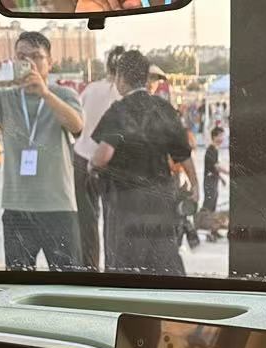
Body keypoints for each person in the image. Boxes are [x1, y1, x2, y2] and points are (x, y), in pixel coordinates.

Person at [0, 30, 84, 271]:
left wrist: (45, 93)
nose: (28, 62)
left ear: (50, 63)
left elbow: (76, 125)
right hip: (17, 207)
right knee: (18, 278)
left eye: (36, 56)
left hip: (58, 206)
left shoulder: (64, 94)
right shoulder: (4, 98)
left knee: (69, 278)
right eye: (21, 56)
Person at [92, 48, 194, 274]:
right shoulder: (164, 108)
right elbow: (184, 155)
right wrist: (195, 187)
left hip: (126, 201)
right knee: (164, 261)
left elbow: (103, 156)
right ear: (144, 77)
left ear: (121, 78)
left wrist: (92, 165)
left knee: (126, 266)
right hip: (160, 200)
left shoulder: (119, 110)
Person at [72, 45, 123, 272]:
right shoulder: (123, 95)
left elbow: (78, 123)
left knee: (87, 221)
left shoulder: (90, 89)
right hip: (111, 163)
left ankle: (90, 270)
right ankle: (112, 271)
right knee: (113, 222)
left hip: (82, 158)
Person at [200, 123, 226, 242]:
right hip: (209, 182)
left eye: (223, 136)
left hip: (213, 181)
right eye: (220, 136)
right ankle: (206, 231)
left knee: (213, 206)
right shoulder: (211, 150)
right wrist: (228, 173)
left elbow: (214, 168)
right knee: (208, 206)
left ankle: (213, 231)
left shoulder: (215, 150)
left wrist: (221, 179)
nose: (222, 139)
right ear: (214, 137)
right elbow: (216, 167)